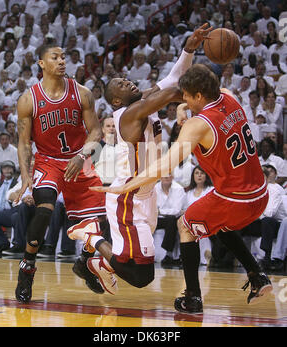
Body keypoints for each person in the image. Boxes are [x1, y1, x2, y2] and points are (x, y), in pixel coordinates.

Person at [95, 64, 273, 313]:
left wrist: (126, 186)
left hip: (235, 199)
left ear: (198, 96)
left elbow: (164, 165)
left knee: (186, 225)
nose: (183, 100)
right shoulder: (229, 96)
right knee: (215, 223)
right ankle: (257, 275)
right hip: (260, 195)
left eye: (186, 96)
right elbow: (211, 98)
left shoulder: (198, 125)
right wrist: (183, 107)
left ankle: (192, 297)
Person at [67, 24, 213, 295]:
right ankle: (91, 235)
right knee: (141, 276)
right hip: (129, 197)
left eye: (126, 79)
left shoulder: (142, 101)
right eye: (121, 84)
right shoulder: (128, 114)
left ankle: (91, 264)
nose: (128, 81)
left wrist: (189, 48)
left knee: (135, 263)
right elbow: (171, 92)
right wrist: (207, 94)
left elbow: (171, 78)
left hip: (148, 194)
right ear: (116, 100)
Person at [14, 42, 106, 303]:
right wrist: (25, 176)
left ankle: (85, 263)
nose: (62, 61)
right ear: (42, 63)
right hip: (48, 161)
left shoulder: (83, 93)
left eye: (64, 57)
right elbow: (23, 142)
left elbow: (96, 133)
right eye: (55, 57)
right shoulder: (28, 99)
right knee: (44, 209)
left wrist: (82, 155)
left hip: (79, 159)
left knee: (99, 222)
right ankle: (27, 266)